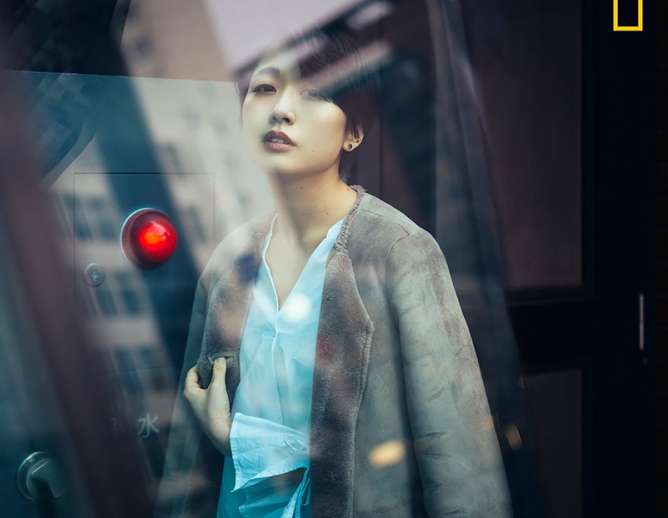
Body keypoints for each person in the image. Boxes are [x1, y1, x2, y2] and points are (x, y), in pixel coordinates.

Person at [156, 27, 511, 518]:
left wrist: (235, 439)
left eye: (313, 92)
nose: (281, 109)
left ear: (354, 132)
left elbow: (457, 457)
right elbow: (184, 463)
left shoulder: (398, 252)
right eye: (265, 88)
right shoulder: (228, 260)